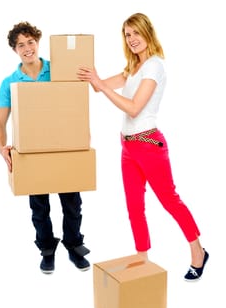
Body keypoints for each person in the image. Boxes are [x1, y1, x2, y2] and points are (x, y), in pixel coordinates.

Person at [77, 12, 209, 281]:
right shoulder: (133, 67)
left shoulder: (155, 66)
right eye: (127, 34)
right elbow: (99, 87)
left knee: (169, 200)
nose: (132, 39)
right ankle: (142, 259)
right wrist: (89, 76)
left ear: (147, 32)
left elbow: (135, 108)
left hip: (149, 145)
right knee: (134, 206)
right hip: (128, 147)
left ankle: (198, 251)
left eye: (136, 32)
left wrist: (101, 84)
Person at [0, 21, 90, 274]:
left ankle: (73, 246)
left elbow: (77, 98)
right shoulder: (10, 82)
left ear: (38, 41)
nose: (27, 48)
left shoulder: (57, 70)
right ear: (15, 50)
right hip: (32, 153)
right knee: (39, 206)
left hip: (63, 148)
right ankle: (47, 251)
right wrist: (2, 147)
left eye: (30, 42)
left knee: (72, 203)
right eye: (21, 45)